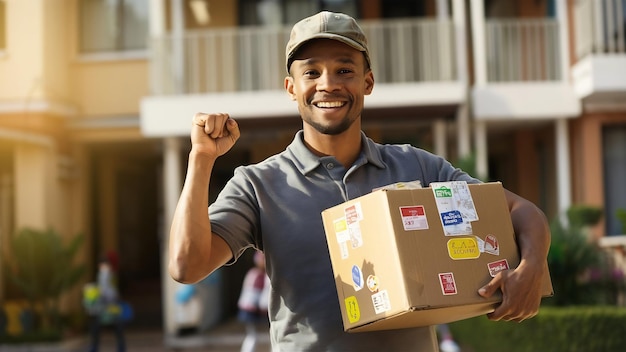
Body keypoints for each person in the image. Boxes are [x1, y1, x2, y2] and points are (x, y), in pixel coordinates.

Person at [168, 11, 551, 351]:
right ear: (291, 88)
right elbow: (187, 266)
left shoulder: (418, 168)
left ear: (367, 82)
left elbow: (522, 212)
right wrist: (201, 160)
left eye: (344, 70)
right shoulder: (258, 185)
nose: (328, 84)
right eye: (311, 72)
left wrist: (531, 269)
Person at [84, 253, 126, 352]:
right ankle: (95, 347)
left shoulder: (108, 275)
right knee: (98, 329)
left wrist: (100, 292)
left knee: (115, 329)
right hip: (105, 308)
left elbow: (110, 292)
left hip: (110, 307)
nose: (103, 268)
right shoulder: (106, 274)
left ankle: (120, 348)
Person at [237, 251, 270, 352]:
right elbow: (256, 296)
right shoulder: (259, 275)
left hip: (249, 308)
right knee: (253, 336)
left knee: (253, 336)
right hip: (252, 309)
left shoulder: (253, 273)